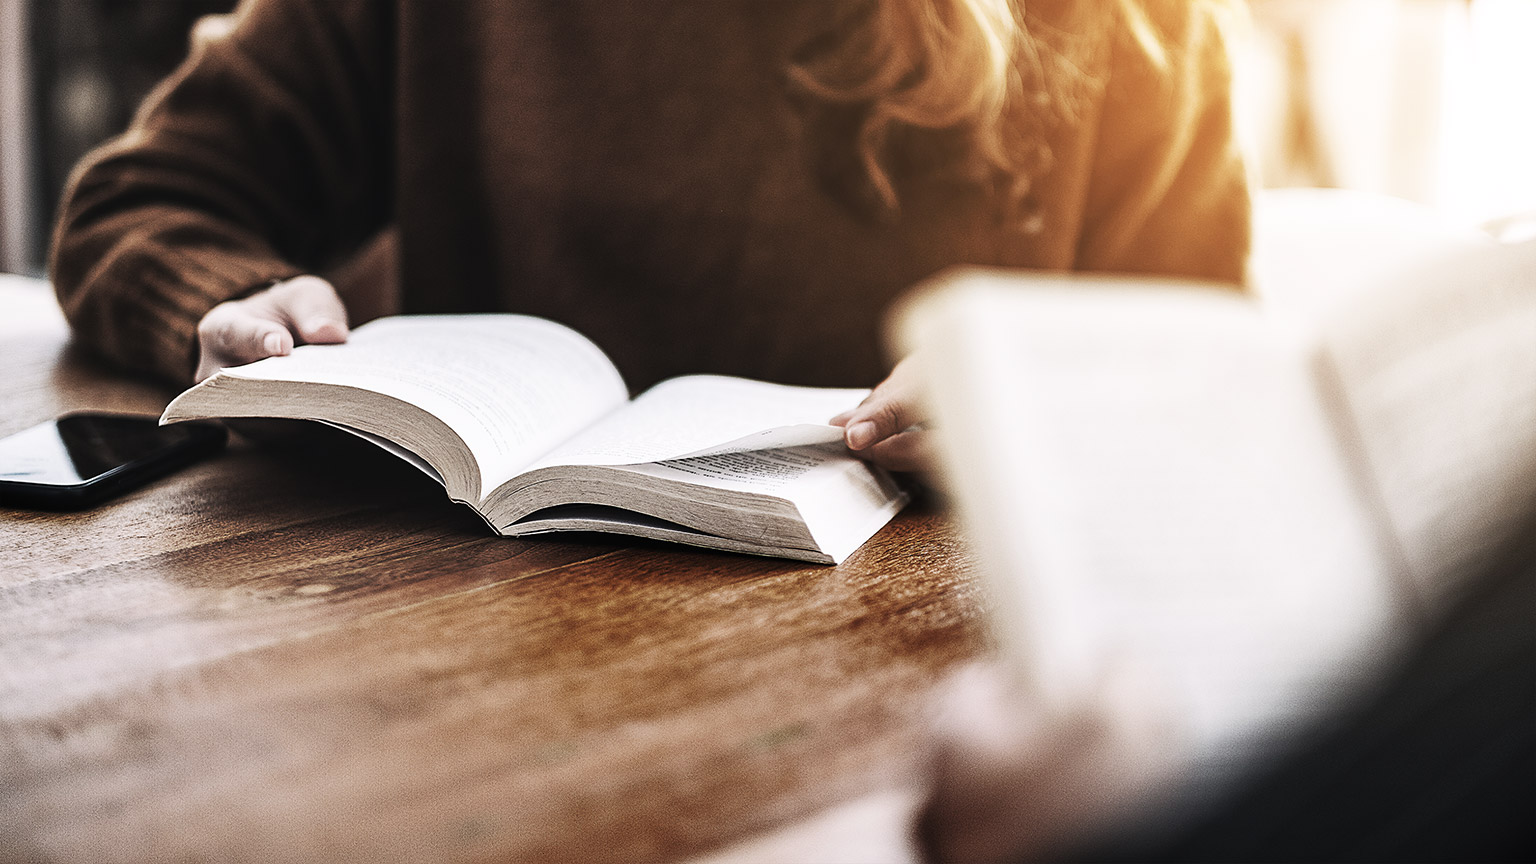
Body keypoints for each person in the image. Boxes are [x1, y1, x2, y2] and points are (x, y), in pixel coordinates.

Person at [49, 0, 1251, 471]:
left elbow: (1211, 372)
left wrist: (1046, 393)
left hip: (934, 683)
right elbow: (139, 198)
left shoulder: (1127, 31)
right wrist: (241, 301)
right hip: (466, 640)